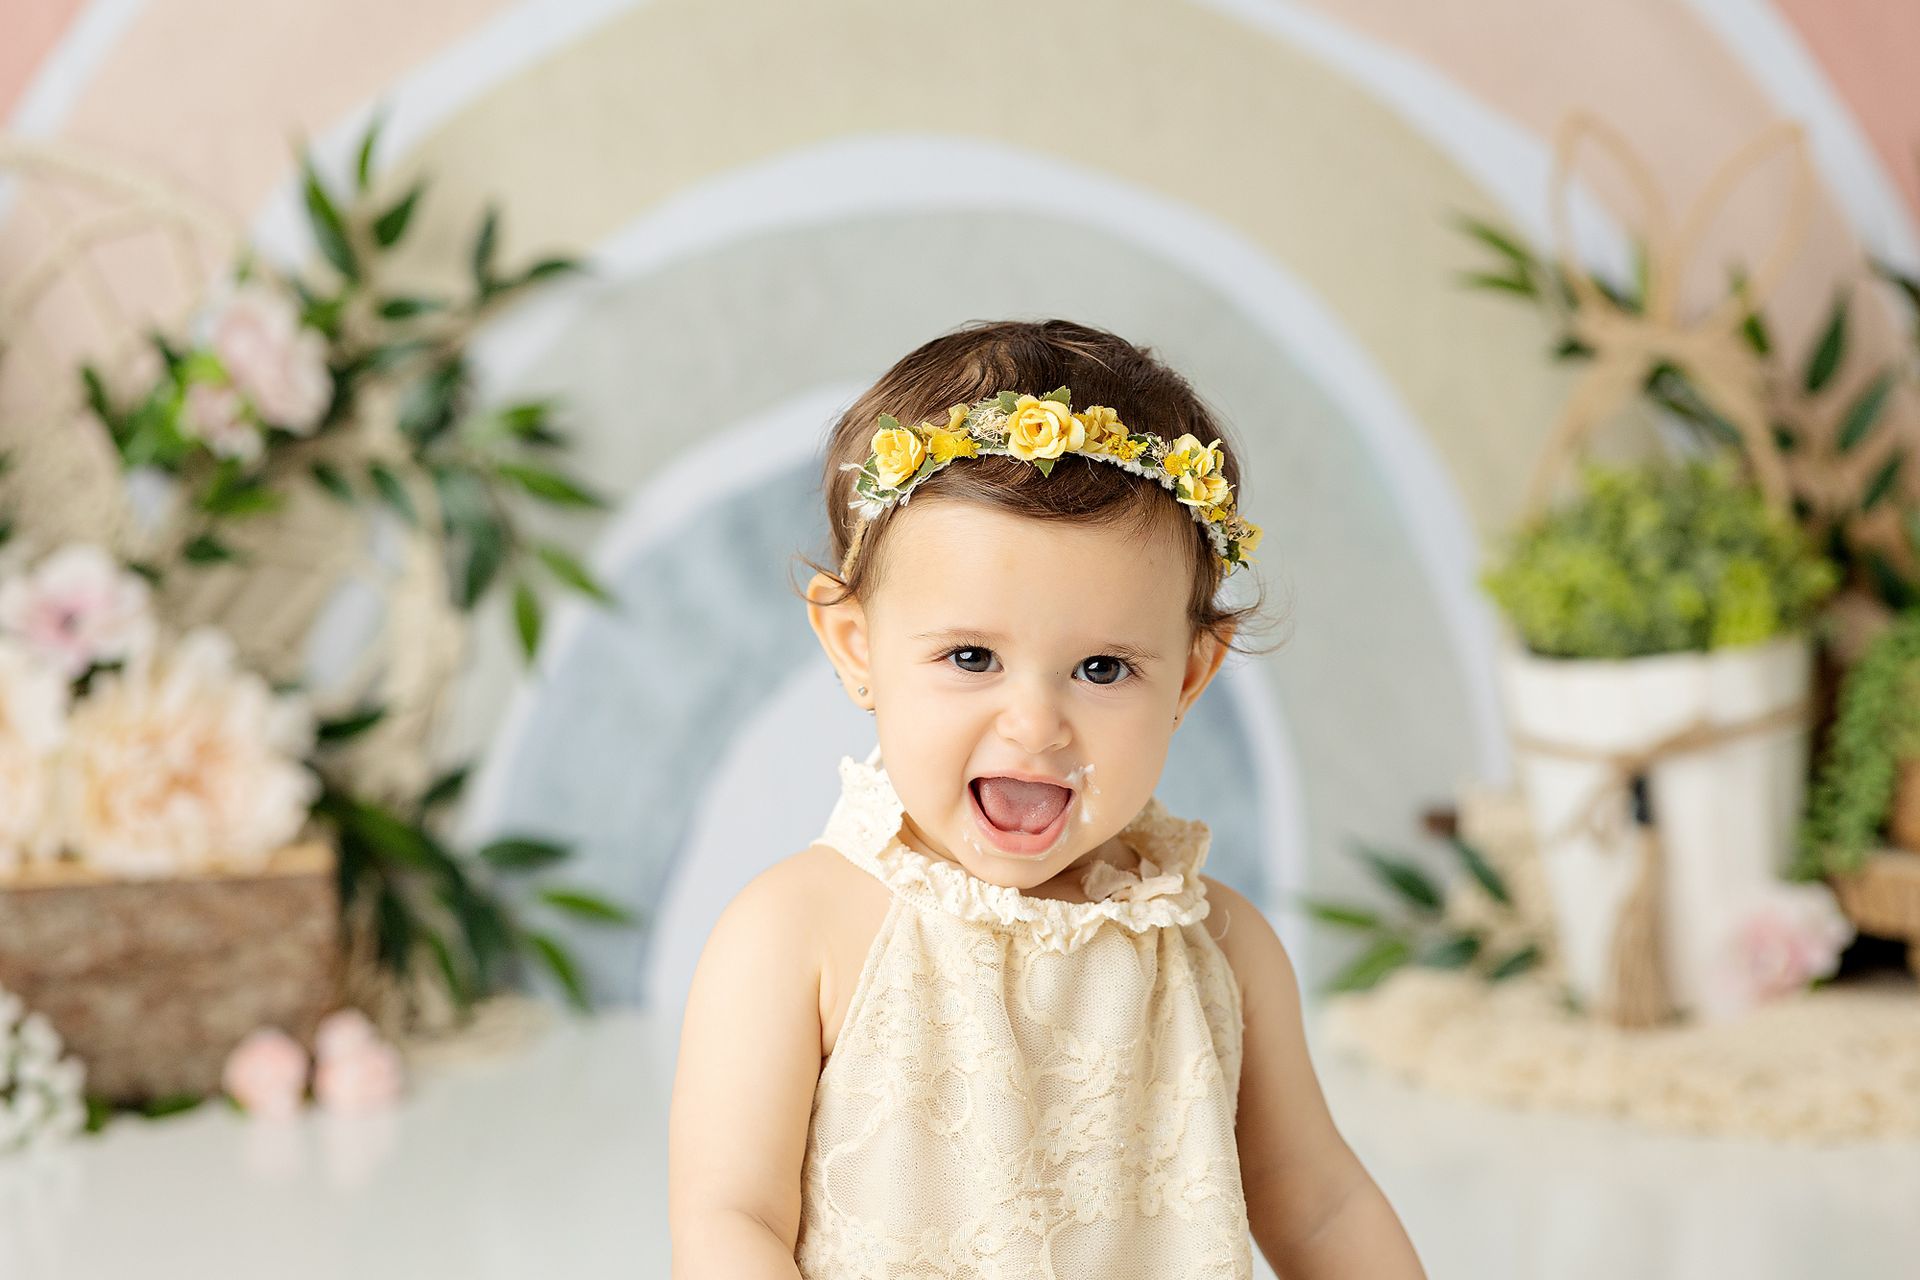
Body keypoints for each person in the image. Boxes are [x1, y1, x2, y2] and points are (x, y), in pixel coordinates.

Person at [668, 319, 1426, 1278]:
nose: (1035, 725)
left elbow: (1320, 1210)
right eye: (970, 657)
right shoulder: (798, 933)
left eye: (1102, 668)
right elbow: (729, 1219)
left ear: (1190, 678)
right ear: (858, 646)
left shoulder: (1217, 950)